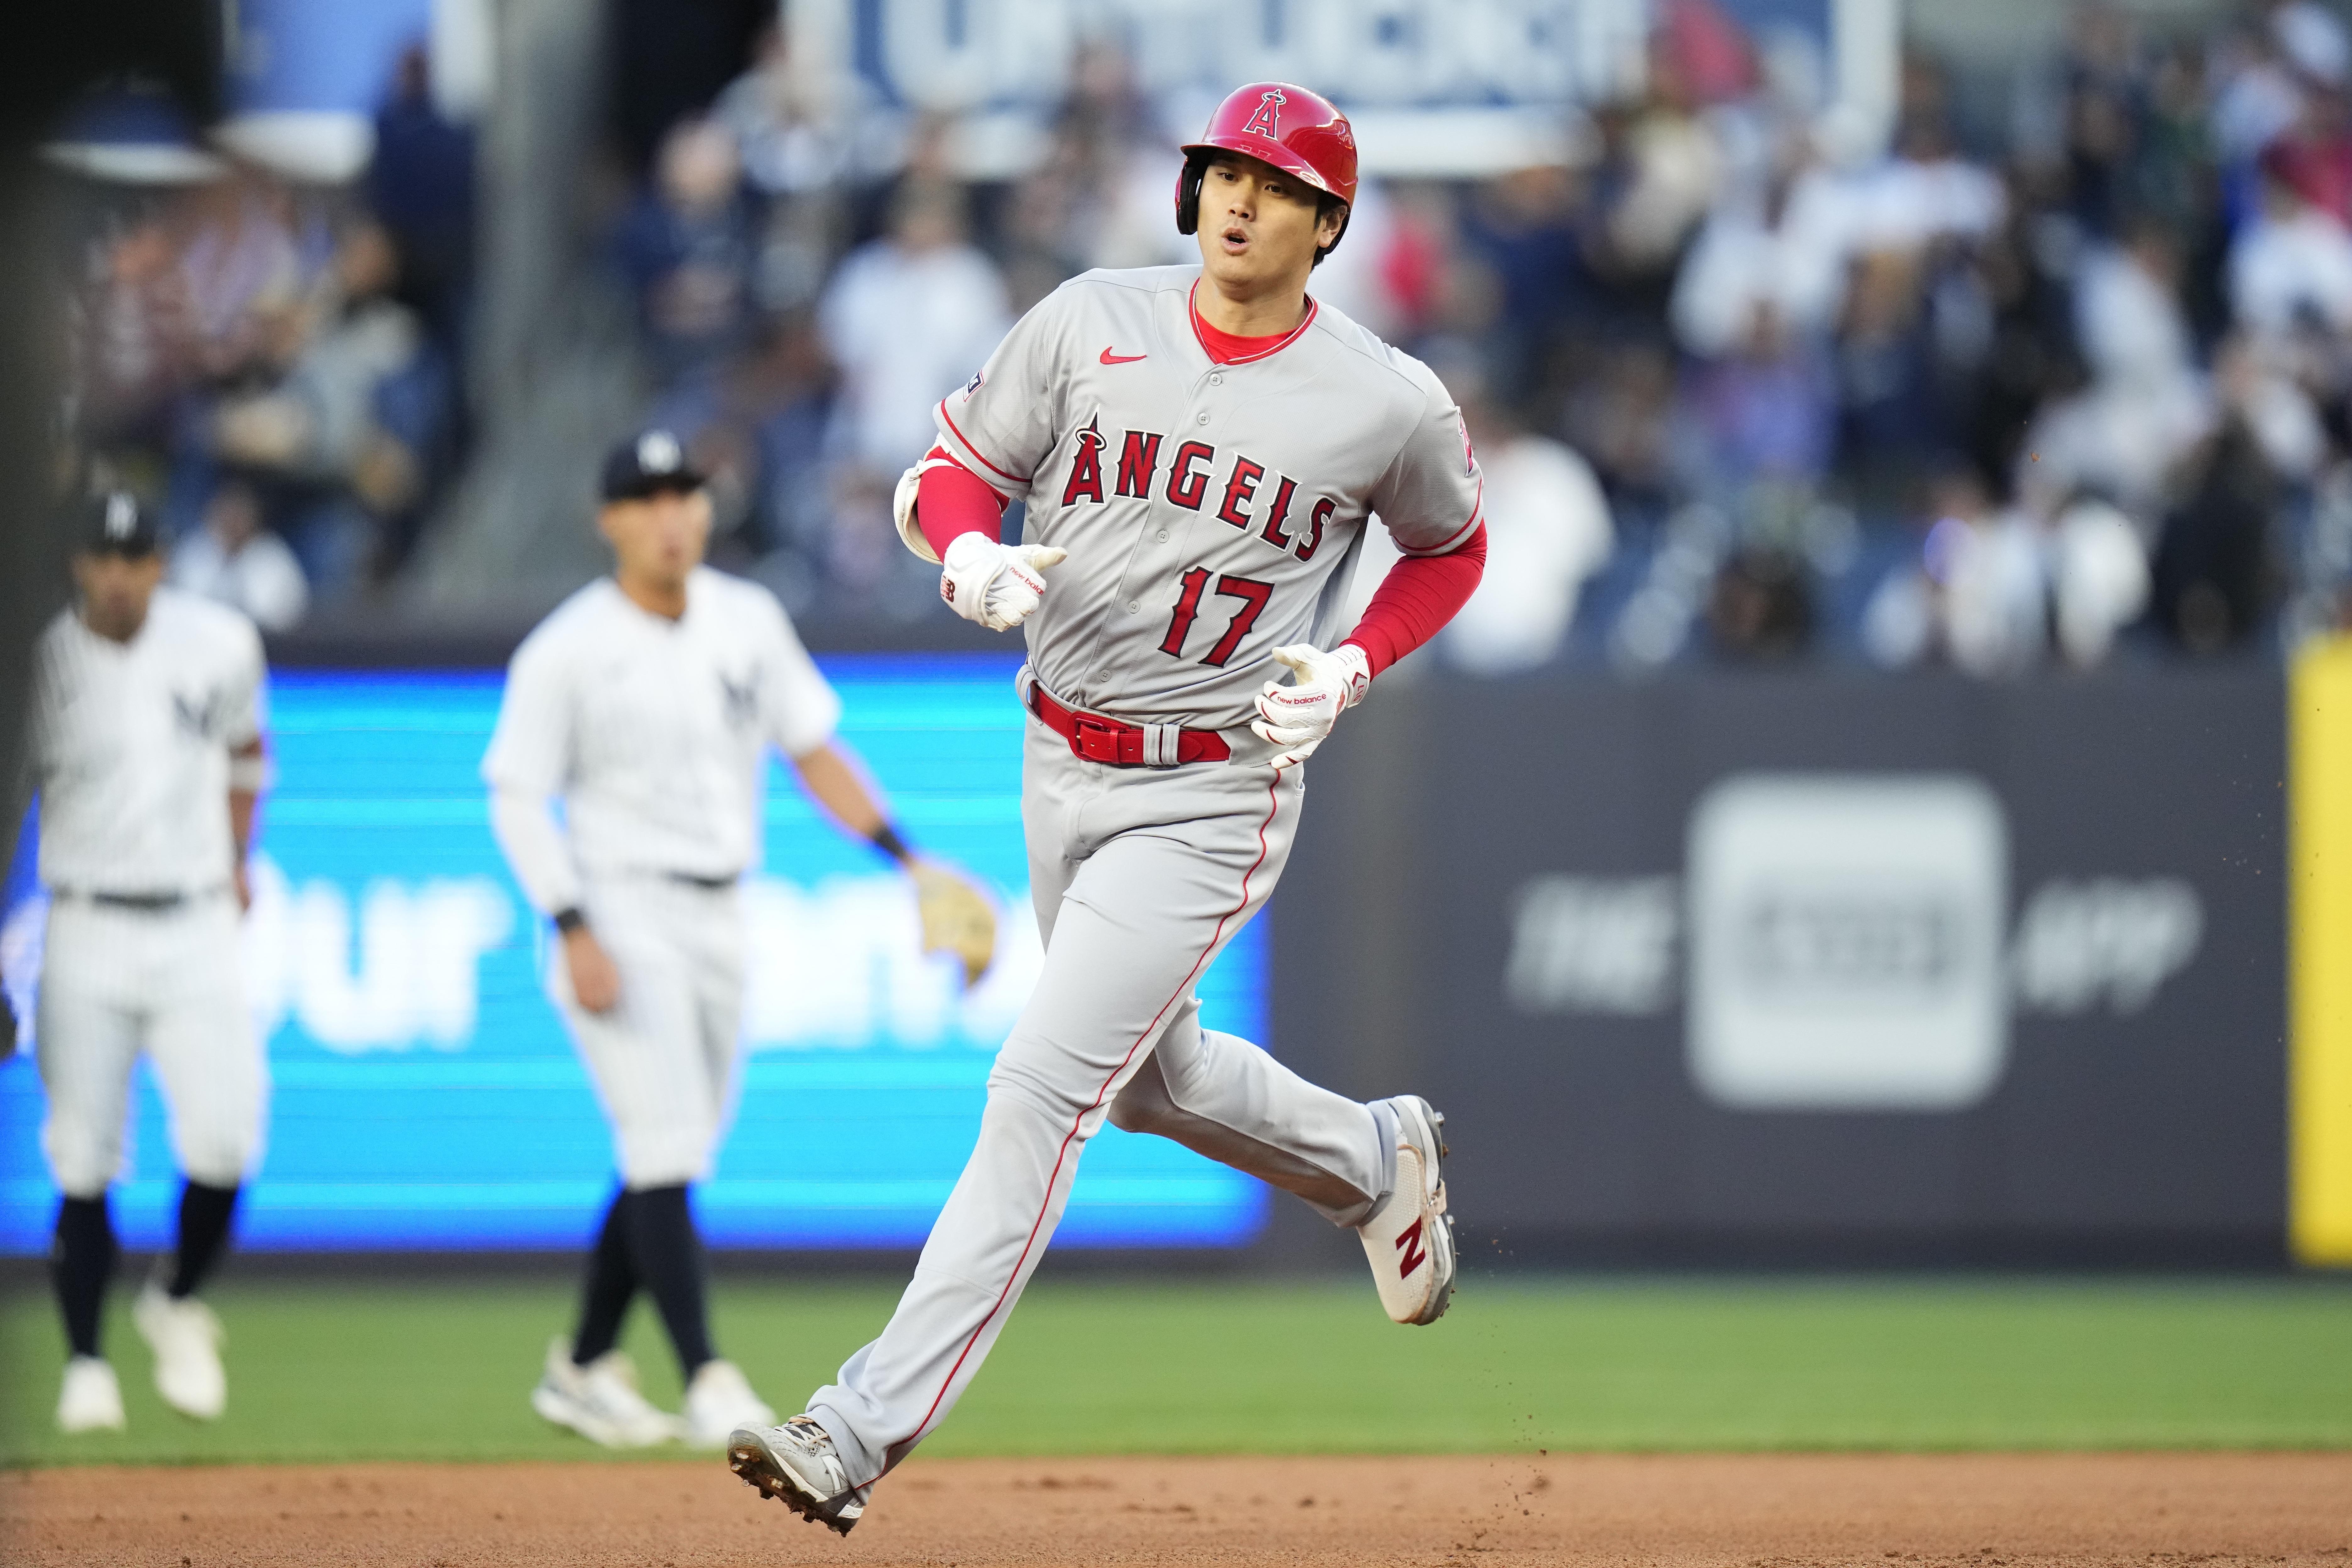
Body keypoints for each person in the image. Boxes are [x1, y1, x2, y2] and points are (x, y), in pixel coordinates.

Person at [727, 81, 1488, 1537]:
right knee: (1145, 1081)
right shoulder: (1090, 317)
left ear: (1327, 224)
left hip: (1212, 782)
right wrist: (964, 561)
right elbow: (948, 472)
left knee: (1039, 1095)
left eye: (1271, 185)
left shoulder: (1384, 398)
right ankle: (1378, 1160)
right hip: (1057, 754)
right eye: (1217, 173)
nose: (1235, 200)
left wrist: (1350, 661)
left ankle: (855, 1431)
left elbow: (1447, 551)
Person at [482, 430, 995, 1450]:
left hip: (722, 910)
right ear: (610, 521)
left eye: (686, 495)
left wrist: (908, 859)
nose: (672, 515)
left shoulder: (746, 620)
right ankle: (708, 1374)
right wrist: (570, 922)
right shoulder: (568, 647)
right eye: (648, 498)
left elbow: (812, 749)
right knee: (665, 1147)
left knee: (667, 1154)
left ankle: (582, 1366)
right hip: (620, 910)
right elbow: (515, 796)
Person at [21, 491, 271, 1434]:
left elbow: (249, 754)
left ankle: (174, 1298)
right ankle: (86, 1363)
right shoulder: (40, 659)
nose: (118, 574)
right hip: (84, 918)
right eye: (102, 556)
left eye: (135, 556)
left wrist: (241, 859)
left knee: (227, 1137)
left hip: (196, 914)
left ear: (161, 562)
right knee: (84, 1153)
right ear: (78, 562)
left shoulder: (219, 643)